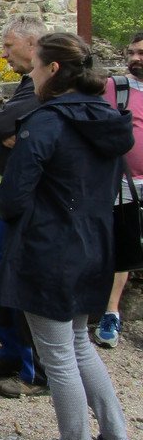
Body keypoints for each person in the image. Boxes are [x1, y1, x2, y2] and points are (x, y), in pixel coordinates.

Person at [0, 32, 136, 440]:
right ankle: (117, 438)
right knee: (76, 344)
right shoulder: (108, 118)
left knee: (57, 355)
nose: (30, 73)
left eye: (35, 65)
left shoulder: (48, 121)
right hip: (93, 244)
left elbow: (13, 198)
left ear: (54, 70)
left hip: (49, 249)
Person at [0, 15, 48, 399]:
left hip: (33, 203)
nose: (3, 54)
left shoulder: (45, 88)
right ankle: (11, 350)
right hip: (11, 198)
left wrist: (9, 131)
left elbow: (1, 125)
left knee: (19, 278)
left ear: (32, 45)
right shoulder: (28, 85)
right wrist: (5, 131)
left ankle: (36, 367)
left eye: (8, 46)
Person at [94, 31, 143, 348]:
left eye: (142, 53)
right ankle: (110, 312)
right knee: (122, 248)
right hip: (124, 182)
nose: (135, 58)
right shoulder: (116, 87)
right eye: (132, 52)